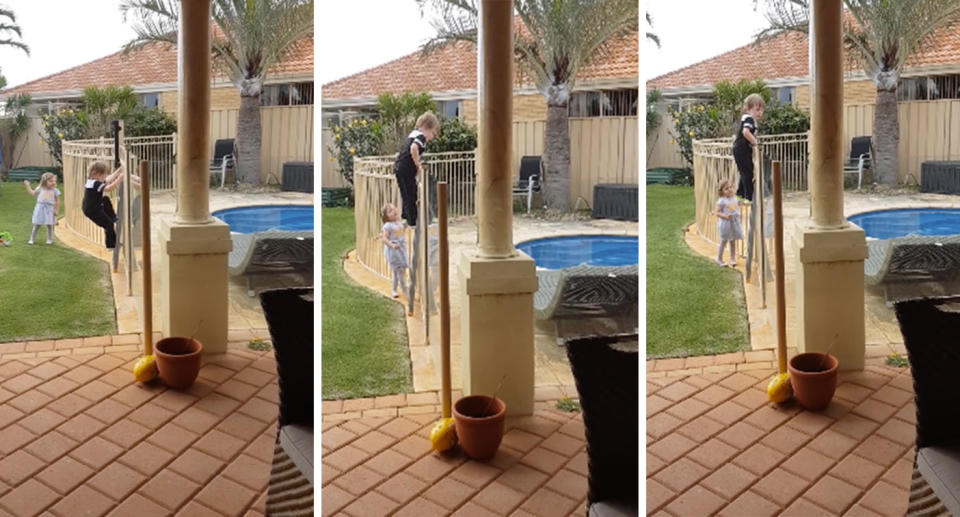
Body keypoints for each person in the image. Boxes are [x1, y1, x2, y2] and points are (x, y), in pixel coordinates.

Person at [393, 112, 440, 228]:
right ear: (427, 128)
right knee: (411, 194)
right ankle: (412, 222)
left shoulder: (412, 134)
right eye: (433, 134)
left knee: (406, 194)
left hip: (400, 168)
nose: (431, 138)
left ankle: (407, 218)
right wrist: (418, 165)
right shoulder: (421, 137)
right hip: (406, 169)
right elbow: (413, 148)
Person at [82, 161, 124, 249]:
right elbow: (109, 188)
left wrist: (119, 170)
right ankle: (111, 246)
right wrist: (119, 180)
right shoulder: (95, 183)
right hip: (92, 210)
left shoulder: (93, 181)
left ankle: (113, 217)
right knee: (108, 224)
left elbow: (108, 179)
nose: (105, 177)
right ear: (96, 174)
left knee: (105, 199)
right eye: (103, 175)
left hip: (95, 207)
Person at [733, 93, 765, 202]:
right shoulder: (749, 120)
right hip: (742, 149)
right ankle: (748, 198)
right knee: (748, 173)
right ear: (748, 109)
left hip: (741, 149)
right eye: (757, 110)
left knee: (745, 171)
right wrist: (756, 143)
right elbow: (746, 132)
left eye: (761, 110)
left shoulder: (748, 119)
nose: (759, 113)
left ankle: (739, 195)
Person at [381, 202, 409, 299]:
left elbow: (401, 232)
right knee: (398, 271)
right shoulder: (387, 226)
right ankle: (402, 289)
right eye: (390, 211)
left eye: (394, 209)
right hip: (393, 252)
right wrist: (392, 245)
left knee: (401, 270)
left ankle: (397, 289)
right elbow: (384, 239)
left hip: (401, 250)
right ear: (386, 216)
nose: (394, 211)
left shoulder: (399, 223)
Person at [23, 173, 60, 245]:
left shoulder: (55, 190)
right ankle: (32, 238)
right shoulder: (40, 189)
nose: (53, 183)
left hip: (49, 209)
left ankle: (49, 239)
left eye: (54, 181)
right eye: (51, 181)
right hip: (40, 208)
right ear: (44, 182)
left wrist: (56, 210)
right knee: (37, 224)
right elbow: (32, 193)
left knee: (49, 225)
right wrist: (27, 186)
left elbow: (57, 201)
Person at [715, 179, 743, 267]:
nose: (729, 189)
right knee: (723, 241)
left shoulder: (734, 198)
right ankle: (719, 259)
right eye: (726, 189)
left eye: (730, 187)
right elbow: (717, 212)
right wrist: (725, 216)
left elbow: (738, 203)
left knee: (733, 241)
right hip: (725, 224)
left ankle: (732, 258)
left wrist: (741, 202)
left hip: (734, 222)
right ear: (722, 192)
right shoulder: (722, 201)